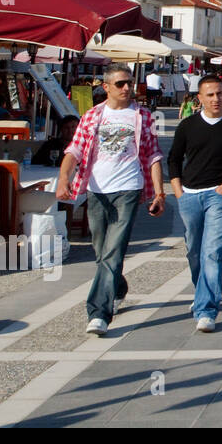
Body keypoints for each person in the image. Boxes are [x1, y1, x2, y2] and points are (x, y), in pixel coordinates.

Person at [56, 66, 165, 336]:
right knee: (101, 249)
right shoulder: (93, 115)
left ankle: (98, 313)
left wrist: (160, 193)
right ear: (106, 87)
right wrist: (63, 179)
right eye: (120, 84)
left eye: (129, 83)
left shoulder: (142, 116)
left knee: (113, 251)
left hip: (128, 189)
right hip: (96, 190)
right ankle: (118, 287)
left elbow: (153, 155)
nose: (127, 88)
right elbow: (75, 150)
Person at [168, 76, 222, 333]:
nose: (216, 99)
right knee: (194, 250)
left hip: (219, 196)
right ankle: (200, 292)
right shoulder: (187, 126)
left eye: (219, 94)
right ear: (200, 98)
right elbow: (174, 159)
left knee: (213, 251)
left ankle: (206, 310)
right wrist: (177, 191)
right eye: (210, 95)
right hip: (189, 195)